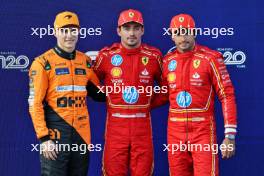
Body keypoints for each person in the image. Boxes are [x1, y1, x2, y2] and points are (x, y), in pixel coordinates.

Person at [28, 11, 105, 176]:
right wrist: (44, 138)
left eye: (73, 30)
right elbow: (35, 104)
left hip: (82, 137)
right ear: (55, 32)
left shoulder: (85, 61)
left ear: (79, 32)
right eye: (64, 31)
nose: (69, 35)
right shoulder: (42, 63)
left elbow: (100, 94)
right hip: (55, 137)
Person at [162, 14, 237, 176]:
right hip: (175, 132)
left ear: (195, 32)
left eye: (187, 32)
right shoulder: (167, 61)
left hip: (202, 131)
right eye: (179, 32)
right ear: (172, 36)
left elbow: (227, 95)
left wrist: (229, 136)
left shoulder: (210, 58)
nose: (183, 37)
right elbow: (162, 95)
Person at [94, 9, 164, 176]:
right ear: (119, 30)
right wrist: (111, 97)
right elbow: (91, 83)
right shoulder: (106, 55)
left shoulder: (154, 56)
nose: (131, 33)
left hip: (142, 127)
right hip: (115, 127)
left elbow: (167, 87)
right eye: (127, 28)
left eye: (136, 28)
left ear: (142, 30)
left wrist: (148, 103)